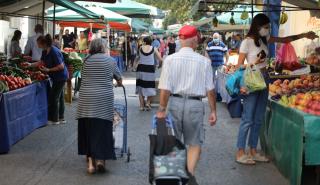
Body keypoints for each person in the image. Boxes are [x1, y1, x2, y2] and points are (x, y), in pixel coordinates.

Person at [235, 13, 318, 165]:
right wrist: (254, 62)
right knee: (248, 119)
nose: (268, 30)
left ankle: (253, 150)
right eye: (266, 27)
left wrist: (304, 35)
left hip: (265, 79)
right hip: (252, 81)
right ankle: (240, 152)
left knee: (259, 118)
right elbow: (239, 66)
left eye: (268, 27)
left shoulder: (264, 39)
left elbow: (285, 40)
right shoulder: (246, 42)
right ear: (258, 26)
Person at [157, 25, 217, 185]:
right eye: (197, 39)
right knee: (195, 143)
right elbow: (210, 90)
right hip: (195, 105)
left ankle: (175, 175)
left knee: (173, 141)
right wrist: (213, 111)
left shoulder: (169, 60)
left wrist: (162, 109)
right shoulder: (204, 61)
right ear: (194, 40)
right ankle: (189, 174)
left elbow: (165, 89)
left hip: (174, 103)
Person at [77, 38, 122, 174]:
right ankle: (101, 160)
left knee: (88, 130)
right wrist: (117, 83)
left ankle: (90, 164)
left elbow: (84, 78)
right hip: (103, 100)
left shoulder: (86, 60)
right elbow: (119, 79)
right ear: (103, 48)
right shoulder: (111, 61)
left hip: (86, 100)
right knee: (103, 130)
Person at [27, 34, 68, 125]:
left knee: (54, 98)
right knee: (59, 97)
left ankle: (55, 119)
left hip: (61, 77)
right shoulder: (45, 51)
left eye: (38, 44)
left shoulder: (54, 51)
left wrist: (48, 70)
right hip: (56, 77)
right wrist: (30, 65)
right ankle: (61, 118)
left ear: (44, 43)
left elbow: (61, 66)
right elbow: (41, 62)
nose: (37, 46)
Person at [135, 36, 163, 111]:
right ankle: (147, 103)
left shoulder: (140, 48)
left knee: (141, 87)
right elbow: (160, 59)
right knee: (150, 86)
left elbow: (137, 58)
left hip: (141, 69)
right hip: (150, 69)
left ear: (144, 42)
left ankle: (141, 106)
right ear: (151, 42)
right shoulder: (154, 49)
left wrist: (134, 66)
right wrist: (159, 66)